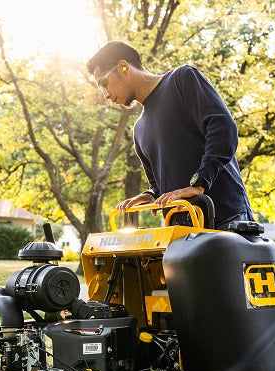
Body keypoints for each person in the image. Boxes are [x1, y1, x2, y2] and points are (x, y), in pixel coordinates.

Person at [86, 40, 254, 230]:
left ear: (124, 67)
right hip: (180, 232)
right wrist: (151, 194)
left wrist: (199, 183)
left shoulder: (182, 79)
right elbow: (159, 184)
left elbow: (223, 129)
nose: (106, 95)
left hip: (226, 219)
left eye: (105, 84)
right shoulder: (139, 130)